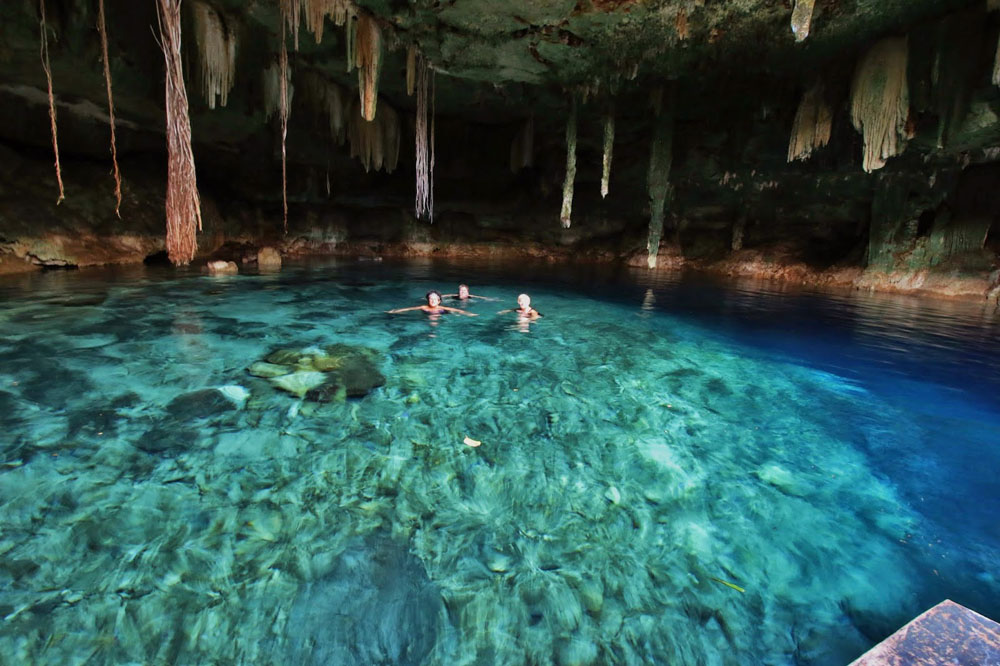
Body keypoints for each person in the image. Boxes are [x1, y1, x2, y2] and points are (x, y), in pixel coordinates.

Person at [387, 290, 477, 316]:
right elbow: (409, 309)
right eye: (431, 299)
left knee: (453, 313)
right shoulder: (424, 307)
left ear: (439, 301)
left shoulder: (442, 308)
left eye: (435, 299)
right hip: (428, 317)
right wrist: (395, 311)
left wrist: (469, 314)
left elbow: (457, 310)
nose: (433, 300)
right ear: (428, 300)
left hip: (442, 315)